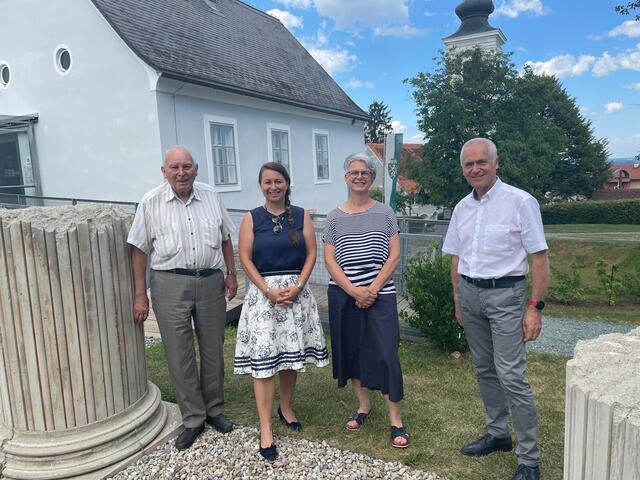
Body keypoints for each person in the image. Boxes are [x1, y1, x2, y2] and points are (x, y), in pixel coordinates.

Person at [442, 138, 549, 480]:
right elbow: (457, 258)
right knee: (485, 369)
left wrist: (534, 307)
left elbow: (539, 258)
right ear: (463, 169)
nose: (475, 169)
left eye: (481, 163)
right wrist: (459, 301)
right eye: (468, 165)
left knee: (512, 376)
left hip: (507, 296)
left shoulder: (520, 202)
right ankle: (499, 434)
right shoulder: (462, 207)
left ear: (495, 163)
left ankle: (529, 458)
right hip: (471, 294)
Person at [127, 146, 238, 451]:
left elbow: (226, 236)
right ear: (164, 171)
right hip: (168, 283)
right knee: (179, 352)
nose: (181, 173)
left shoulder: (211, 196)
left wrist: (231, 273)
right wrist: (140, 294)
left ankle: (214, 409)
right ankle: (193, 417)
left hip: (210, 281)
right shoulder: (151, 202)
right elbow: (138, 249)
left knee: (213, 348)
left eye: (186, 166)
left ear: (196, 168)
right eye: (174, 167)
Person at [234, 162, 329, 461]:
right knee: (264, 363)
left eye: (278, 181)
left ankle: (285, 407)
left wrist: (299, 286)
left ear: (287, 184)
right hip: (264, 298)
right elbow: (245, 258)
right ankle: (265, 427)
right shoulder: (251, 218)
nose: (273, 187)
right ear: (260, 185)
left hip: (295, 294)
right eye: (267, 182)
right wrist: (267, 290)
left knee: (290, 356)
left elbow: (313, 252)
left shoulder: (301, 216)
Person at [323, 153, 409, 449]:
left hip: (380, 295)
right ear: (345, 177)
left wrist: (371, 288)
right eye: (354, 172)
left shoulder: (386, 213)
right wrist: (354, 291)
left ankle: (395, 419)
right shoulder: (334, 217)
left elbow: (394, 254)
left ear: (371, 179)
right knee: (353, 352)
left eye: (365, 173)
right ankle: (363, 406)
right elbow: (330, 261)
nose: (359, 177)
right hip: (344, 295)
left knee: (386, 353)